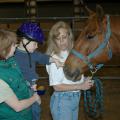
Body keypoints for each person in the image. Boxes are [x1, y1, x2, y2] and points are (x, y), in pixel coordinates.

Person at [46, 21, 94, 120]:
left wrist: (83, 80)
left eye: (64, 37)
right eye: (58, 38)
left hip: (74, 98)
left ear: (69, 36)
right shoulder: (55, 58)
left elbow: (69, 77)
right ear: (54, 41)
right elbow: (57, 86)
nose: (61, 41)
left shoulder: (71, 54)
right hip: (63, 100)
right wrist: (80, 86)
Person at [15, 21, 61, 120]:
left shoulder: (33, 53)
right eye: (35, 43)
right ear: (24, 40)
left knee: (36, 110)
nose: (37, 47)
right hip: (19, 89)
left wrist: (54, 60)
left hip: (32, 88)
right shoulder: (13, 55)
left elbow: (43, 58)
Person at [0, 29, 40, 120]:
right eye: (14, 45)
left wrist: (28, 86)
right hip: (13, 116)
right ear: (5, 49)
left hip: (25, 115)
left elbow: (19, 80)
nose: (17, 46)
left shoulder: (11, 61)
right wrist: (34, 98)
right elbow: (17, 106)